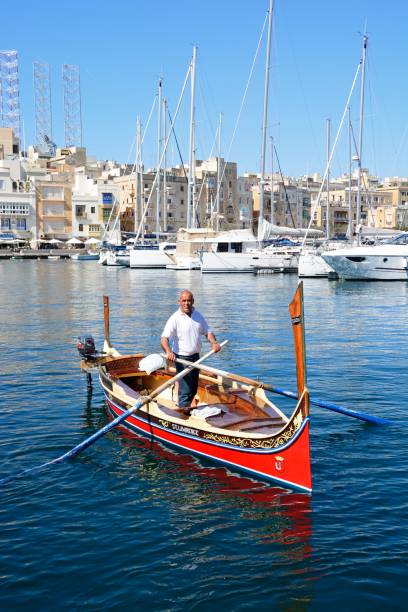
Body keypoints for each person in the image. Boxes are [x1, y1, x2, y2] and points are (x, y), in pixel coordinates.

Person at [161, 289, 221, 414]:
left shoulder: (198, 315)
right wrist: (168, 351)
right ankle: (182, 416)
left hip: (196, 358)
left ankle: (188, 410)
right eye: (184, 301)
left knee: (193, 389)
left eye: (189, 300)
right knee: (185, 390)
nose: (186, 303)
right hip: (182, 359)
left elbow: (208, 332)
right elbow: (164, 338)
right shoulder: (174, 318)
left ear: (193, 301)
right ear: (179, 302)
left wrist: (214, 343)